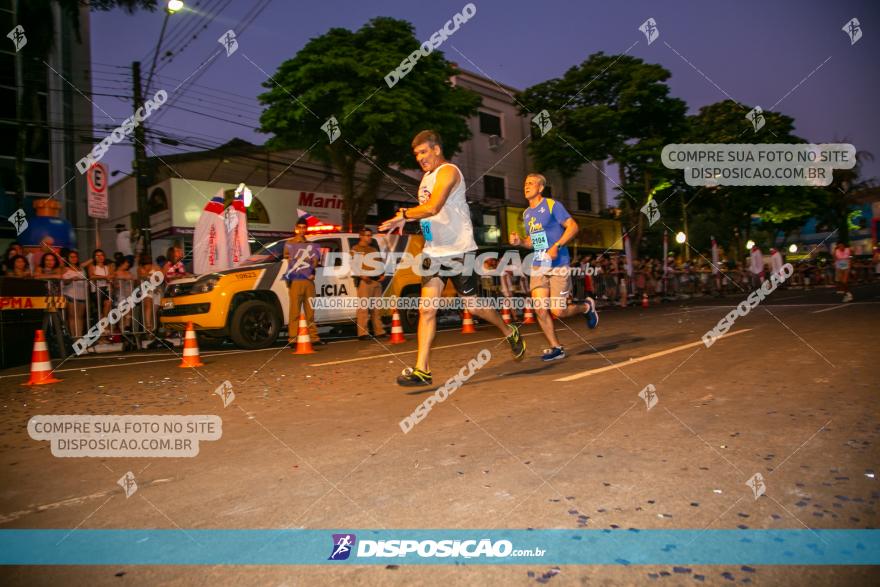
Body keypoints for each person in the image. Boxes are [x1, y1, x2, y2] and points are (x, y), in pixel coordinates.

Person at [379, 130, 525, 386]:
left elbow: (434, 206)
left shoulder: (449, 171)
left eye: (424, 152)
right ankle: (421, 369)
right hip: (433, 252)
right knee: (426, 310)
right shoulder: (425, 178)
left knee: (472, 305)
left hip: (460, 250)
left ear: (436, 149)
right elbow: (430, 215)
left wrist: (405, 213)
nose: (420, 158)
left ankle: (508, 330)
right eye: (416, 155)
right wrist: (417, 226)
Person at [509, 174, 598, 362]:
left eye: (531, 183)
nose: (527, 186)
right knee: (540, 308)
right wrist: (520, 242)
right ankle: (556, 347)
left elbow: (573, 227)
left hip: (558, 263)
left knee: (559, 311)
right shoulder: (527, 214)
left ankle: (586, 307)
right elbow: (533, 242)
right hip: (539, 264)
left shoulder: (552, 205)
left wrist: (556, 246)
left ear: (541, 188)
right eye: (525, 183)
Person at [284, 218, 323, 345]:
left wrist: (312, 272)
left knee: (310, 311)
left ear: (306, 229)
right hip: (296, 280)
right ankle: (293, 338)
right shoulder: (289, 244)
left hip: (309, 282)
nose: (302, 230)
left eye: (304, 227)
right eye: (299, 227)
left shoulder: (311, 245)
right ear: (296, 228)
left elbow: (315, 262)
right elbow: (291, 262)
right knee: (294, 311)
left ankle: (313, 337)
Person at [350, 228, 387, 340]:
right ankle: (363, 333)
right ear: (361, 236)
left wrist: (382, 274)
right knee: (363, 308)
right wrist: (362, 276)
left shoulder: (373, 249)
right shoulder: (355, 249)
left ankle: (379, 331)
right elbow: (353, 265)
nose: (369, 237)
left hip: (376, 281)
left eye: (370, 235)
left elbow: (380, 263)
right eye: (367, 235)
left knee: (376, 309)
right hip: (365, 282)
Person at [61, 250, 88, 338]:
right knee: (72, 317)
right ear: (68, 259)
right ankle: (74, 338)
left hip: (82, 295)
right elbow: (63, 282)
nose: (74, 258)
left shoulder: (81, 268)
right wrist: (71, 279)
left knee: (80, 317)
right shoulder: (65, 268)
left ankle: (79, 337)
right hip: (70, 294)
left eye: (75, 257)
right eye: (71, 257)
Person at [137, 252, 161, 333]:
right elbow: (142, 276)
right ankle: (148, 327)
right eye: (146, 264)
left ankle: (153, 329)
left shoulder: (156, 267)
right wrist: (150, 275)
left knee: (154, 311)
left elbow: (159, 278)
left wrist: (151, 276)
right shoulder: (140, 268)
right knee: (148, 306)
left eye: (149, 263)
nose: (148, 265)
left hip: (156, 289)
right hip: (146, 289)